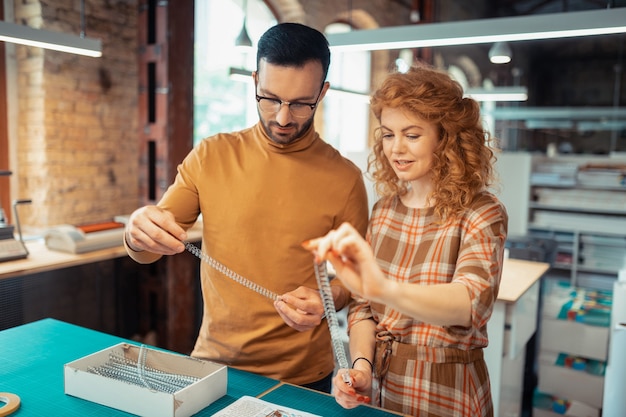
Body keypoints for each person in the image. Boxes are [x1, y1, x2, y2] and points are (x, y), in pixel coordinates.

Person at [123, 22, 369, 393]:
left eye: (302, 103)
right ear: (254, 81)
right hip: (214, 367)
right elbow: (148, 247)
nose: (283, 118)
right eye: (270, 98)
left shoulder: (346, 178)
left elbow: (358, 280)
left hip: (305, 378)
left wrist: (327, 298)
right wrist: (136, 231)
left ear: (323, 92)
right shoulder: (210, 156)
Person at [304, 64, 508, 416]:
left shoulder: (481, 211)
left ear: (446, 137)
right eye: (387, 134)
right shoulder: (384, 210)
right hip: (384, 390)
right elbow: (364, 308)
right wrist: (362, 368)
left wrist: (383, 288)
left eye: (412, 135)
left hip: (448, 392)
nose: (396, 149)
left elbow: (469, 304)